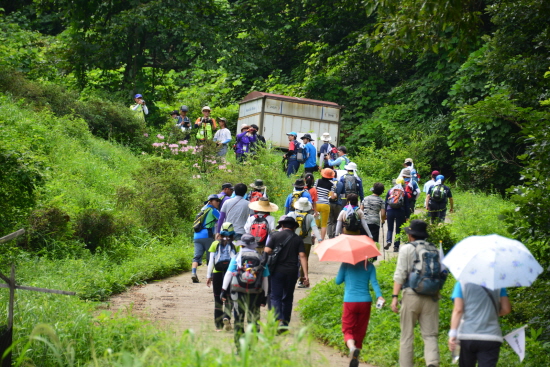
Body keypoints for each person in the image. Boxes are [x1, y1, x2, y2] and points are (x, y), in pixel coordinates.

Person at [391, 220, 440, 367]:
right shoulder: (434, 249)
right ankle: (432, 362)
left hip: (411, 295)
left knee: (407, 336)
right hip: (431, 296)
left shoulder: (406, 249)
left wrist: (394, 297)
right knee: (430, 335)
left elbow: (400, 274)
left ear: (411, 234)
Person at [221, 234, 269, 352]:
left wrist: (223, 290)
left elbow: (228, 274)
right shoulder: (260, 257)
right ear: (253, 245)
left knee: (238, 320)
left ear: (241, 244)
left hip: (238, 292)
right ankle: (252, 348)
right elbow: (265, 279)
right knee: (253, 320)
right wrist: (265, 296)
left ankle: (239, 348)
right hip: (256, 292)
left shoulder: (237, 257)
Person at [448, 282, 512, 367]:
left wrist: (453, 334)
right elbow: (506, 309)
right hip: (491, 337)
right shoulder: (498, 284)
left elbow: (458, 310)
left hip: (467, 336)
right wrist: (490, 314)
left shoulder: (462, 283)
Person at [336, 259, 384, 367]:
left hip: (350, 301)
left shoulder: (346, 264)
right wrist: (379, 296)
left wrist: (346, 275)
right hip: (365, 302)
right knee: (360, 329)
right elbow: (374, 283)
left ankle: (352, 348)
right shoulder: (370, 266)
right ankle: (355, 353)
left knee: (348, 328)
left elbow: (338, 281)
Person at [265, 216, 309, 331]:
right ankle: (284, 323)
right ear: (294, 227)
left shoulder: (275, 236)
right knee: (288, 297)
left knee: (275, 296)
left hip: (277, 271)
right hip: (292, 272)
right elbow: (303, 256)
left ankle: (278, 319)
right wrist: (306, 276)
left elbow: (267, 251)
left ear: (282, 226)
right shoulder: (298, 239)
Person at [206, 222, 238, 331]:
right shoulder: (236, 244)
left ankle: (218, 326)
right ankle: (226, 317)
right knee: (229, 297)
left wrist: (208, 276)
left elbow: (211, 261)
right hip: (231, 274)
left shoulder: (215, 244)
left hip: (217, 272)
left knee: (217, 299)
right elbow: (237, 262)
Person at [286, 197, 322, 288]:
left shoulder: (291, 214)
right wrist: (320, 240)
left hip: (292, 240)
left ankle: (291, 279)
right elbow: (315, 229)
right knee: (304, 260)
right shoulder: (310, 217)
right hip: (306, 240)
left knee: (292, 260)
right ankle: (302, 281)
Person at [191, 194, 221, 283]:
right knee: (210, 256)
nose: (218, 202)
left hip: (196, 236)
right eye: (216, 200)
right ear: (211, 202)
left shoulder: (202, 210)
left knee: (197, 256)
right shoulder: (213, 210)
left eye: (218, 200)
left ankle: (193, 273)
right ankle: (211, 275)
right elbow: (222, 219)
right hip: (207, 235)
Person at [385, 177, 409, 252]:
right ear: (403, 184)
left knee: (390, 228)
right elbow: (407, 205)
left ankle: (389, 241)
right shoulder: (404, 193)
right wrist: (407, 216)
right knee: (398, 230)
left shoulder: (390, 191)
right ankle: (396, 246)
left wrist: (386, 212)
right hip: (400, 212)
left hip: (390, 211)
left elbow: (386, 202)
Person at [314, 168, 338, 240]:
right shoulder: (332, 184)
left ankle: (313, 237)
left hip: (316, 204)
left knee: (315, 223)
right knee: (324, 224)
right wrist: (335, 195)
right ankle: (321, 241)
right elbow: (332, 197)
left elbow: (314, 192)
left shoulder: (317, 181)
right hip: (325, 205)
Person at [328, 169, 345, 239]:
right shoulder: (340, 183)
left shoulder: (327, 183)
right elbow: (343, 194)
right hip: (338, 203)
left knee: (329, 221)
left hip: (329, 203)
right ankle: (335, 235)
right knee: (336, 220)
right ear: (336, 175)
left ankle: (330, 236)